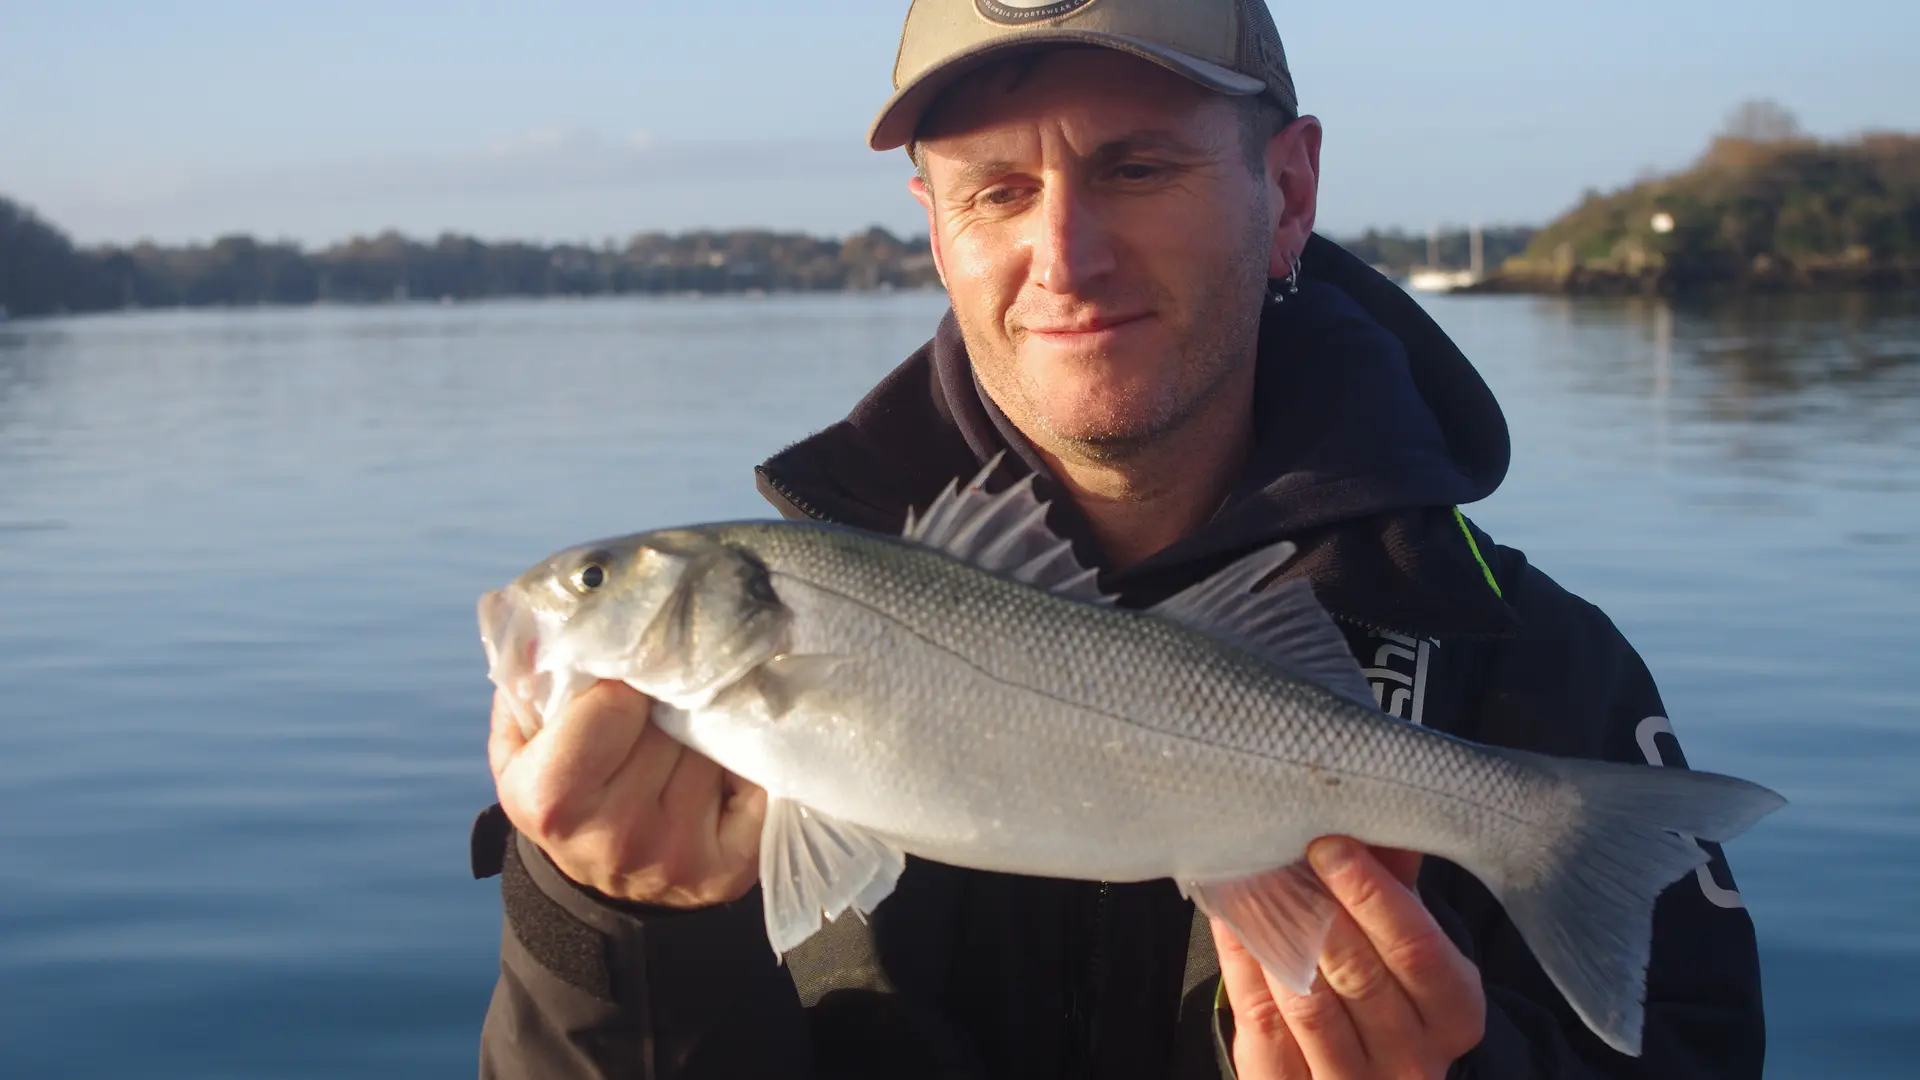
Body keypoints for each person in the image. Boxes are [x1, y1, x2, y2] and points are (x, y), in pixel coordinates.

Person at [471, 2, 1770, 1077]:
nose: (1066, 254)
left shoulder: (1543, 667)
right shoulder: (663, 764)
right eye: (997, 190)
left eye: (1137, 168)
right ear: (938, 229)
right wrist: (616, 933)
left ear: (1291, 188)